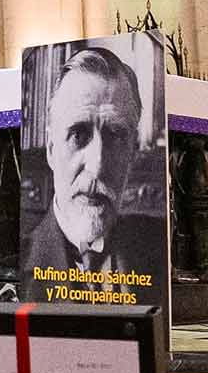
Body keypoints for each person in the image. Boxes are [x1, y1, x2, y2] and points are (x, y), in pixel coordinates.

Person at [27, 47, 146, 276]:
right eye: (78, 135)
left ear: (132, 152)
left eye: (115, 136)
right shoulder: (19, 265)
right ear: (51, 149)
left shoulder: (158, 255)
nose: (97, 165)